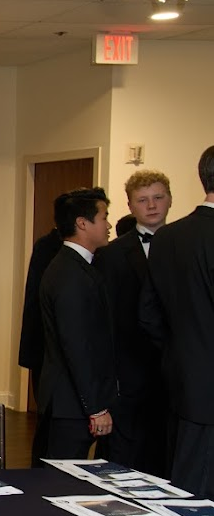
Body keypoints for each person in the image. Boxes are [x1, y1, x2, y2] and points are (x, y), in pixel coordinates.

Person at [141, 147, 214, 496]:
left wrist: (179, 352)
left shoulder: (168, 237)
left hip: (180, 379)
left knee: (185, 483)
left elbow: (149, 314)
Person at [96, 169, 172, 476]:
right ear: (131, 206)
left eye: (158, 198)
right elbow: (105, 319)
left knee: (167, 452)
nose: (151, 205)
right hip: (128, 373)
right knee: (124, 457)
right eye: (143, 200)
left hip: (175, 372)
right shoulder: (112, 255)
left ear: (170, 200)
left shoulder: (186, 244)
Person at [38, 188, 116, 461]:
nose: (108, 225)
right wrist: (96, 408)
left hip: (69, 401)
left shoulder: (73, 267)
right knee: (62, 483)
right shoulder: (71, 275)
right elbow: (77, 346)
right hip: (71, 403)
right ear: (83, 223)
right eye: (104, 217)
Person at [18, 196, 66, 464]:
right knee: (48, 423)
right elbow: (36, 304)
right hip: (47, 352)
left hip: (47, 353)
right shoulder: (49, 250)